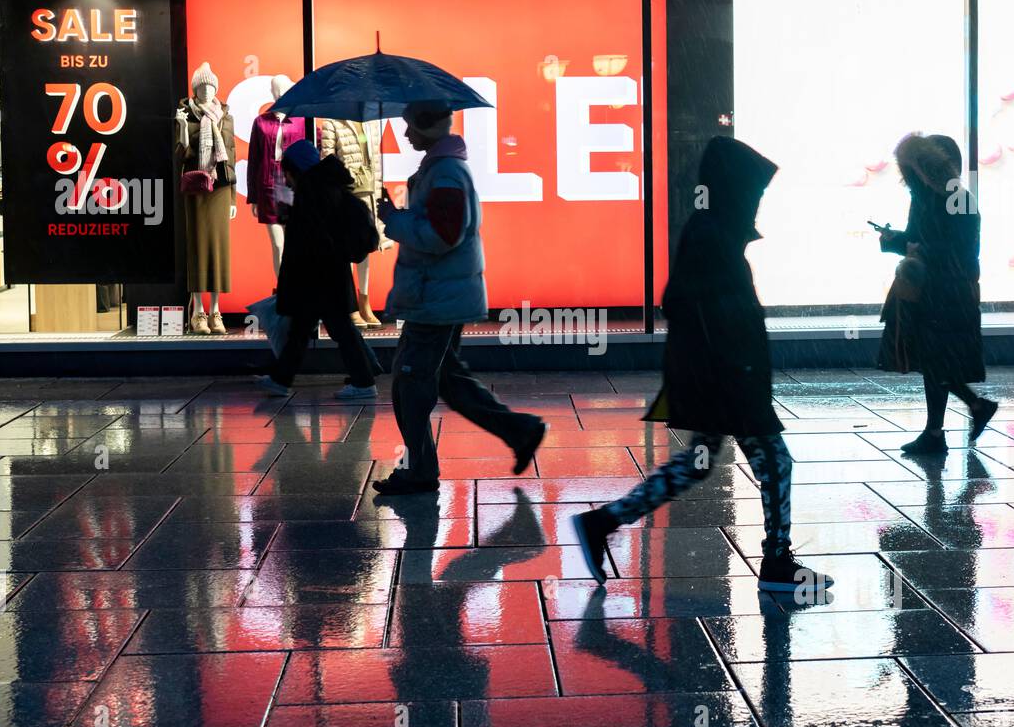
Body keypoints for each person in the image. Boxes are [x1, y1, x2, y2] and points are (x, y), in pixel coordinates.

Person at [571, 136, 833, 595]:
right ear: (734, 189)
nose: (757, 201)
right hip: (729, 378)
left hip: (719, 375)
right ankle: (776, 563)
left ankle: (604, 521)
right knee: (774, 459)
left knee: (699, 461)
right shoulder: (712, 234)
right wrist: (736, 368)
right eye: (754, 192)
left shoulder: (715, 230)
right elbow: (689, 304)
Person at [371, 100, 546, 495]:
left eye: (410, 125)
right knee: (447, 378)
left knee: (409, 384)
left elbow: (442, 236)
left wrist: (395, 220)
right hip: (440, 293)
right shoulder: (441, 168)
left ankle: (419, 470)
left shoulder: (446, 172)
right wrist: (398, 214)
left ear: (426, 125)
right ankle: (520, 431)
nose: (405, 133)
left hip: (436, 298)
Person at [877, 133, 998, 454]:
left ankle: (970, 409)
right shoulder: (928, 198)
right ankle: (935, 432)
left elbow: (961, 250)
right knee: (936, 362)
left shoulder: (956, 199)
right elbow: (921, 240)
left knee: (935, 361)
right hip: (935, 292)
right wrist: (896, 242)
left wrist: (915, 248)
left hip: (948, 293)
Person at [257, 139, 381, 400]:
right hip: (326, 277)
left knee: (334, 330)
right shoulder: (325, 187)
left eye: (288, 173)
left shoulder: (313, 193)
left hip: (319, 277)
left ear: (296, 170)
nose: (286, 179)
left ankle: (364, 381)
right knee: (309, 330)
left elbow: (310, 239)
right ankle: (282, 378)